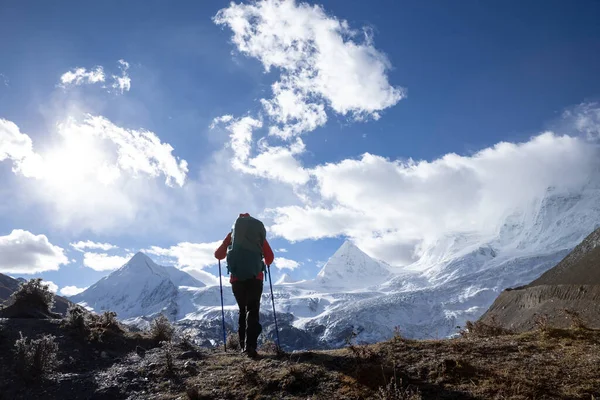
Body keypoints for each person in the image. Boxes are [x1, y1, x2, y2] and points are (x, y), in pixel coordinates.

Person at [214, 213, 274, 358]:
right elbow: (270, 258)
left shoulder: (232, 236)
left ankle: (242, 347)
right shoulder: (258, 236)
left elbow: (218, 255)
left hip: (237, 279)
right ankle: (250, 347)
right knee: (252, 310)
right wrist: (262, 261)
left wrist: (228, 242)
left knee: (242, 311)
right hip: (255, 278)